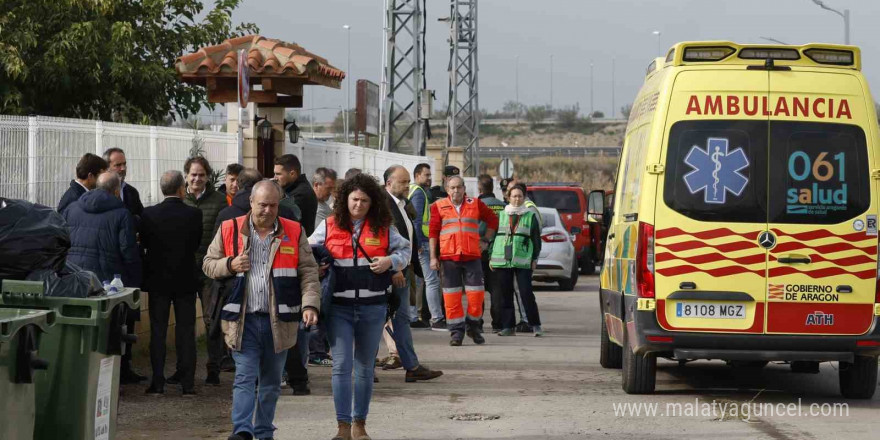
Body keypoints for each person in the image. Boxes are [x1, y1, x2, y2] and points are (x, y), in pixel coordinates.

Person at [203, 180, 321, 440]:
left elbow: (309, 271)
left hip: (279, 320)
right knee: (244, 378)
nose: (267, 210)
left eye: (273, 205)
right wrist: (230, 264)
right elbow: (208, 265)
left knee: (270, 384)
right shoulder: (229, 228)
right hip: (242, 320)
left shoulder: (293, 230)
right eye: (262, 205)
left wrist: (310, 303)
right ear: (251, 203)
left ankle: (264, 431)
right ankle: (242, 431)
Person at [310, 173, 410, 440]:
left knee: (365, 367)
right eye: (354, 199)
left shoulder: (384, 226)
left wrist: (390, 261)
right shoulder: (329, 225)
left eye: (364, 200)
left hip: (373, 307)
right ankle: (342, 427)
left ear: (372, 202)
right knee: (342, 365)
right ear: (345, 200)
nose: (358, 205)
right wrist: (318, 267)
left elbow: (405, 251)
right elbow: (306, 251)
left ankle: (359, 424)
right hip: (339, 308)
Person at [63, 171, 144, 382]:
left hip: (76, 278)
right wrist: (135, 280)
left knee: (80, 330)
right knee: (111, 332)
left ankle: (78, 374)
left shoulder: (72, 208)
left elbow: (61, 242)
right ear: (117, 191)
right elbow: (128, 250)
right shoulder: (121, 213)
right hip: (109, 283)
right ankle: (111, 378)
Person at [141, 171, 203, 395]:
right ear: (181, 189)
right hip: (185, 279)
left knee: (157, 331)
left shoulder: (148, 214)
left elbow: (145, 244)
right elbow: (196, 244)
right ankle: (188, 384)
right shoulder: (194, 215)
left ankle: (157, 382)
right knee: (186, 331)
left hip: (158, 280)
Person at [380, 165, 443, 381]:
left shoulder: (402, 203)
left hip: (404, 269)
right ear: (389, 183)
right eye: (403, 182)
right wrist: (394, 268)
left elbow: (407, 235)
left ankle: (412, 367)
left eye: (408, 182)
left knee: (402, 319)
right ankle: (365, 369)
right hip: (390, 271)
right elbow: (381, 240)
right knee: (376, 319)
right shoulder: (382, 205)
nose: (408, 186)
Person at [168, 156, 226, 387]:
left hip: (210, 271)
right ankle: (182, 369)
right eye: (193, 174)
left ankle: (214, 368)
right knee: (184, 322)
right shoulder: (180, 200)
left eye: (201, 174)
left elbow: (221, 235)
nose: (197, 178)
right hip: (184, 269)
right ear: (186, 176)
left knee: (212, 321)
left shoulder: (220, 201)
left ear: (208, 176)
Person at [429, 175, 498, 346]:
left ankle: (473, 327)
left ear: (464, 188)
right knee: (451, 298)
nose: (456, 191)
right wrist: (432, 257)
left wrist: (486, 240)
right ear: (447, 190)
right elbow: (433, 233)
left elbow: (493, 220)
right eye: (452, 187)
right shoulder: (438, 206)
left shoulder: (475, 203)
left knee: (477, 295)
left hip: (472, 256)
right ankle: (456, 332)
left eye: (459, 187)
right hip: (448, 258)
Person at [489, 183, 544, 337]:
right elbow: (492, 238)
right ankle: (508, 327)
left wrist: (534, 259)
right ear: (508, 197)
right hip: (502, 260)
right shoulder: (501, 215)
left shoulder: (530, 216)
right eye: (514, 196)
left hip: (523, 260)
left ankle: (535, 325)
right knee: (505, 294)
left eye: (520, 196)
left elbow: (536, 240)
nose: (517, 199)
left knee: (526, 293)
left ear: (524, 197)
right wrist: (490, 258)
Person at [408, 163, 444, 330]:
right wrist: (418, 243)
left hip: (418, 242)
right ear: (417, 175)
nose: (429, 178)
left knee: (417, 281)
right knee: (432, 281)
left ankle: (413, 316)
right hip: (422, 242)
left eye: (430, 175)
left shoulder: (413, 190)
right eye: (426, 175)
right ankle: (437, 318)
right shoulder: (419, 193)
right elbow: (416, 220)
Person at [309, 167, 337, 367]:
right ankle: (316, 352)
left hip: (323, 267)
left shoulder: (324, 208)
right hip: (317, 268)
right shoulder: (314, 208)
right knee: (317, 309)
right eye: (328, 188)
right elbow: (314, 242)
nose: (330, 193)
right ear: (317, 185)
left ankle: (319, 350)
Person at [477, 175, 505, 332]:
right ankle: (498, 324)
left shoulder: (476, 206)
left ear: (480, 188)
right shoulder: (503, 206)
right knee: (497, 291)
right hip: (499, 253)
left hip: (481, 253)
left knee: (478, 290)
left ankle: (478, 323)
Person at [274, 154, 317, 234]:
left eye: (278, 174)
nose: (275, 178)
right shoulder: (292, 189)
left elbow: (282, 216)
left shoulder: (301, 194)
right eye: (275, 174)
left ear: (292, 174)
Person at [103, 148, 144, 219]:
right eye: (118, 165)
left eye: (124, 164)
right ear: (106, 168)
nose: (123, 168)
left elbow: (142, 217)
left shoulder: (132, 192)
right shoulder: (97, 192)